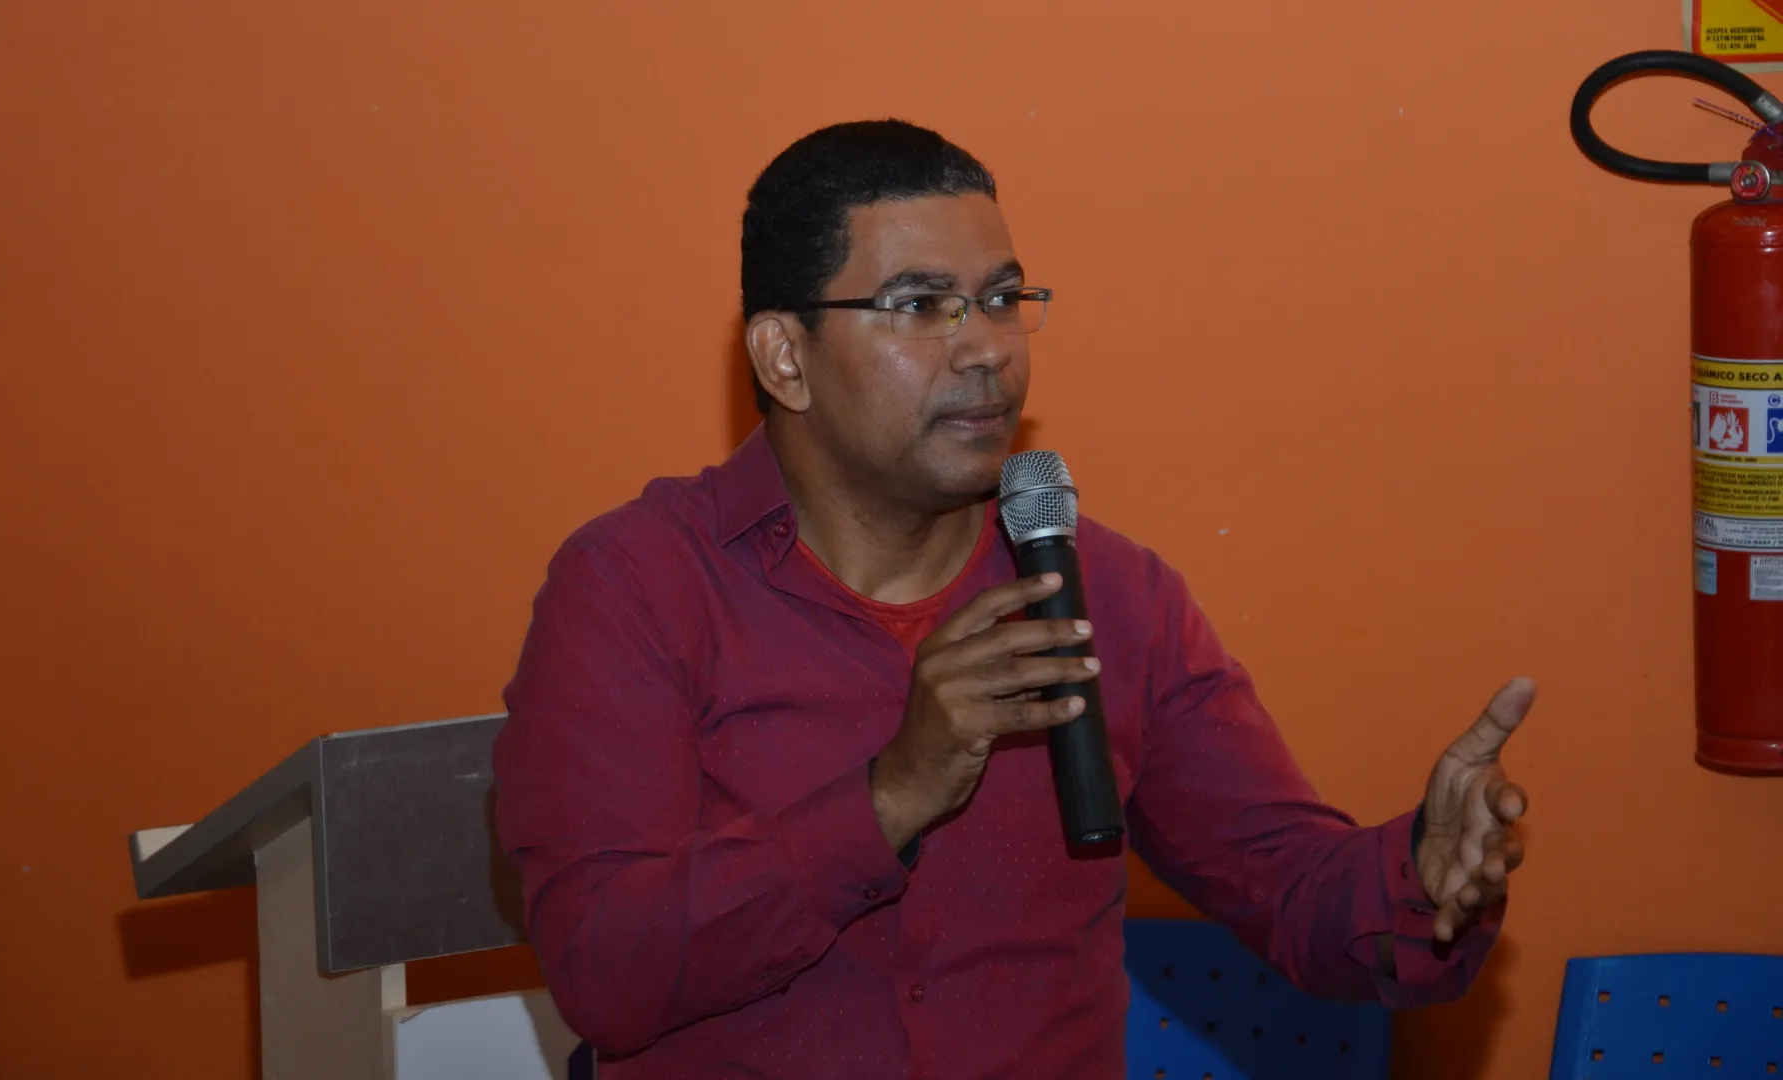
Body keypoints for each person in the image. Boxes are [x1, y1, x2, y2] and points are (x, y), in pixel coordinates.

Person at [492, 119, 1532, 1078]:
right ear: (786, 356)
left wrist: (1421, 877)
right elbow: (603, 971)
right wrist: (892, 795)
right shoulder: (638, 587)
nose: (988, 347)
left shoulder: (1109, 596)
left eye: (1001, 298)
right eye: (920, 305)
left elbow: (1294, 892)